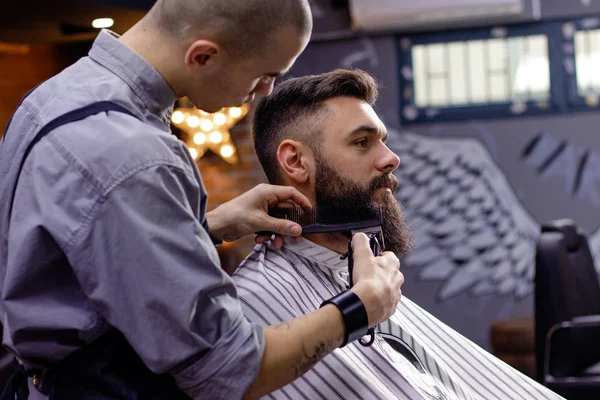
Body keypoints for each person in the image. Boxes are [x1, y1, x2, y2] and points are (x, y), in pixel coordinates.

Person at [0, 1, 404, 399]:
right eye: (265, 74)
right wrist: (359, 306)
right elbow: (228, 372)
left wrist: (207, 226)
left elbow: (81, 253)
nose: (267, 90)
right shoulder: (135, 155)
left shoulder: (55, 97)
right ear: (204, 55)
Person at [232, 69, 565, 399]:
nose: (392, 159)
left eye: (383, 142)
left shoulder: (359, 271)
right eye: (362, 142)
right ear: (295, 162)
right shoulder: (253, 299)